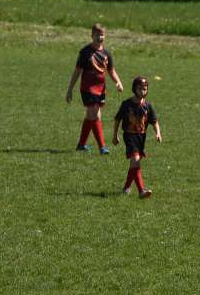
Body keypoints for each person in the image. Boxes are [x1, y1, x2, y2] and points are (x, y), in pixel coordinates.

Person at [66, 24, 124, 154]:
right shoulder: (85, 52)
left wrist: (118, 82)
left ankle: (81, 145)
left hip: (101, 89)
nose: (100, 37)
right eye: (97, 35)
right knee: (95, 115)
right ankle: (102, 147)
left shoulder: (106, 53)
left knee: (92, 115)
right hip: (88, 88)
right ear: (92, 36)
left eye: (102, 35)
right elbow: (77, 71)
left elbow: (111, 70)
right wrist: (70, 89)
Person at [112, 76, 162, 199]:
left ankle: (126, 188)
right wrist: (115, 135)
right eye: (140, 89)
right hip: (129, 136)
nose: (143, 91)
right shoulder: (126, 104)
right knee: (136, 160)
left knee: (134, 164)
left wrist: (158, 133)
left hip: (141, 137)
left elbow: (154, 121)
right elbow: (117, 119)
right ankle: (141, 191)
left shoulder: (148, 106)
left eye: (145, 89)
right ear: (134, 89)